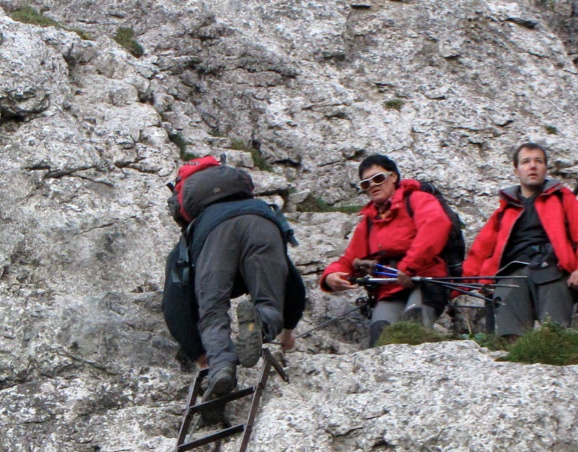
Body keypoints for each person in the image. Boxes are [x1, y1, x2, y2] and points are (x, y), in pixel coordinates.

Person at [167, 156, 303, 402]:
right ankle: (262, 323)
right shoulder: (255, 207)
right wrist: (287, 329)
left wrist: (199, 352)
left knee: (212, 309)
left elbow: (175, 302)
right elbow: (290, 281)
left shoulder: (193, 234)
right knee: (268, 301)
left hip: (215, 236)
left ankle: (221, 367)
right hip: (264, 225)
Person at [463, 142, 578, 337]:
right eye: (526, 162)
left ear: (545, 168)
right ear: (516, 171)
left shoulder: (564, 199)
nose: (532, 166)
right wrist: (465, 284)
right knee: (509, 336)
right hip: (512, 273)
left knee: (554, 333)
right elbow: (480, 250)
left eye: (538, 161)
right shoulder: (504, 210)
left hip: (553, 269)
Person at [321, 155, 451, 346]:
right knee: (379, 334)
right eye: (366, 183)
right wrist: (331, 276)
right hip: (390, 288)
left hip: (426, 280)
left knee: (414, 325)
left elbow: (435, 227)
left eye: (378, 178)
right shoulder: (369, 222)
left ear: (393, 177)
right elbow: (350, 259)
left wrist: (408, 266)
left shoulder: (418, 200)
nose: (373, 185)